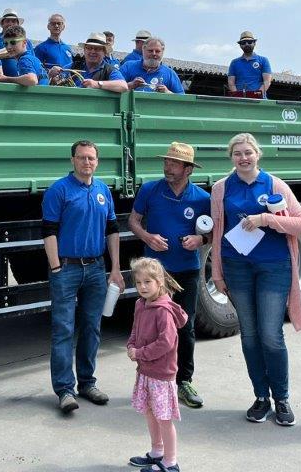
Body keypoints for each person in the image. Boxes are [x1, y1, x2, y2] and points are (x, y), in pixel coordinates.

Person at [210, 132, 301, 426]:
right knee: (250, 335)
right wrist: (216, 272)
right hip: (236, 267)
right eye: (237, 153)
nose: (243, 158)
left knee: (270, 335)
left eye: (248, 152)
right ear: (231, 157)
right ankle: (261, 397)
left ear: (258, 154)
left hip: (274, 267)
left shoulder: (275, 185)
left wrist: (267, 219)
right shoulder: (221, 188)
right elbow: (217, 232)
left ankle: (281, 398)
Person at [42, 140, 125, 412]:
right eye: (81, 157)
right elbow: (49, 231)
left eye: (91, 158)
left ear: (97, 162)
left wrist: (115, 268)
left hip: (96, 269)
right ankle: (65, 390)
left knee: (92, 327)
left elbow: (112, 229)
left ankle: (88, 383)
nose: (86, 162)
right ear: (72, 160)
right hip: (66, 269)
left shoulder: (103, 190)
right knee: (63, 329)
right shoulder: (59, 190)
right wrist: (56, 267)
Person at [128, 142, 211, 410]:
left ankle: (183, 381)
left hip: (187, 271)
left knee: (185, 327)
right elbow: (133, 221)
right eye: (166, 162)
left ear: (188, 169)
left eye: (174, 163)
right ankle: (150, 381)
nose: (167, 167)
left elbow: (212, 232)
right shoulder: (150, 189)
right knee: (151, 328)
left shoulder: (202, 198)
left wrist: (200, 240)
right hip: (155, 274)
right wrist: (147, 237)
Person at [127, 257, 188, 472]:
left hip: (161, 374)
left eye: (147, 282)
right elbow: (135, 330)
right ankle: (157, 452)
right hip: (146, 370)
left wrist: (140, 353)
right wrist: (131, 345)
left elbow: (166, 342)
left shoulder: (163, 311)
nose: (142, 287)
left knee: (164, 418)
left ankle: (171, 462)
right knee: (150, 412)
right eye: (138, 282)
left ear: (159, 282)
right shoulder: (140, 304)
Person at [53, 33, 128, 92]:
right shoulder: (72, 67)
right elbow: (56, 81)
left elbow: (123, 86)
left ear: (104, 52)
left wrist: (97, 84)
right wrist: (52, 76)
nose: (92, 51)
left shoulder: (109, 70)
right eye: (89, 48)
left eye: (97, 49)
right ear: (84, 50)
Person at [121, 36, 185, 94]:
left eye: (157, 51)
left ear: (162, 52)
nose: (154, 54)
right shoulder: (128, 66)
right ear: (143, 50)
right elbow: (115, 86)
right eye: (150, 51)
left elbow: (182, 98)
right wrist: (130, 85)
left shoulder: (169, 73)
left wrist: (167, 92)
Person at [0, 8, 36, 78]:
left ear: (18, 24)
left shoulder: (27, 42)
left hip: (25, 82)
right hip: (0, 82)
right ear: (2, 24)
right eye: (7, 21)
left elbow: (32, 60)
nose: (10, 23)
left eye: (13, 21)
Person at [228, 30, 273, 98]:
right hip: (240, 101)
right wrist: (238, 96)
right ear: (240, 45)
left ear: (254, 43)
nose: (246, 44)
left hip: (259, 101)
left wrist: (256, 95)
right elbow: (231, 83)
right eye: (243, 43)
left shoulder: (263, 60)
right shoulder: (234, 63)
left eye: (249, 42)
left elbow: (267, 81)